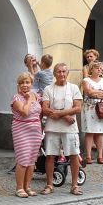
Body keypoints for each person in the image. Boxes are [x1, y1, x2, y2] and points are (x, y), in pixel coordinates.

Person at [40, 63, 83, 196]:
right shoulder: (48, 88)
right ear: (54, 74)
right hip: (52, 128)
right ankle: (49, 185)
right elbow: (45, 109)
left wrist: (59, 114)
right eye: (59, 71)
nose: (61, 74)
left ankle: (74, 185)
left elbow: (78, 108)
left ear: (67, 73)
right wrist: (64, 116)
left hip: (70, 128)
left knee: (74, 155)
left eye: (64, 71)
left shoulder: (73, 88)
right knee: (50, 156)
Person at [10, 73, 43, 198]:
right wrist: (28, 99)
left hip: (35, 131)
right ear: (19, 85)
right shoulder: (16, 98)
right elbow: (24, 112)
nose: (25, 85)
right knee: (23, 159)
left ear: (31, 84)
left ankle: (27, 187)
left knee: (32, 160)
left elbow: (40, 111)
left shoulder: (37, 96)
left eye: (27, 82)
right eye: (22, 82)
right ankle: (19, 188)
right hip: (21, 130)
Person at [80, 62, 103, 165]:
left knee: (100, 132)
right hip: (89, 109)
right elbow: (88, 92)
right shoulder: (86, 80)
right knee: (89, 132)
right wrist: (101, 92)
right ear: (91, 69)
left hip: (102, 108)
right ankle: (88, 156)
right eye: (97, 68)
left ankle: (100, 155)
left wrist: (96, 93)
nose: (99, 70)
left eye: (101, 69)